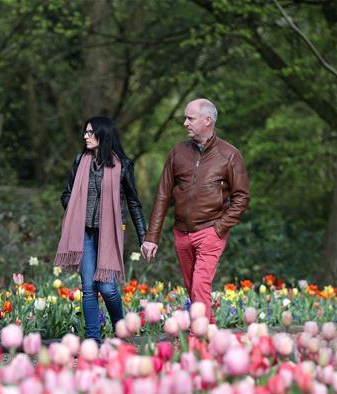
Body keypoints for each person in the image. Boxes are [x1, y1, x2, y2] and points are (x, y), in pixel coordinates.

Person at [141, 98, 250, 321]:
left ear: (207, 120)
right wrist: (152, 236)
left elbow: (241, 197)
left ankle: (197, 342)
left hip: (210, 231)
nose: (185, 123)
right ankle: (209, 334)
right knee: (194, 289)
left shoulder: (229, 155)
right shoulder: (177, 153)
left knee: (200, 285)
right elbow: (163, 196)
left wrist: (219, 228)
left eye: (190, 118)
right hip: (181, 233)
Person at [55, 116, 147, 344]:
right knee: (88, 287)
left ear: (103, 134)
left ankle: (121, 333)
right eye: (85, 132)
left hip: (110, 233)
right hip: (83, 232)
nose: (85, 136)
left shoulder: (123, 165)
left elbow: (134, 203)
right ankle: (93, 340)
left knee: (107, 287)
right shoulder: (80, 161)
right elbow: (66, 194)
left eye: (90, 132)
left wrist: (144, 237)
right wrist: (74, 209)